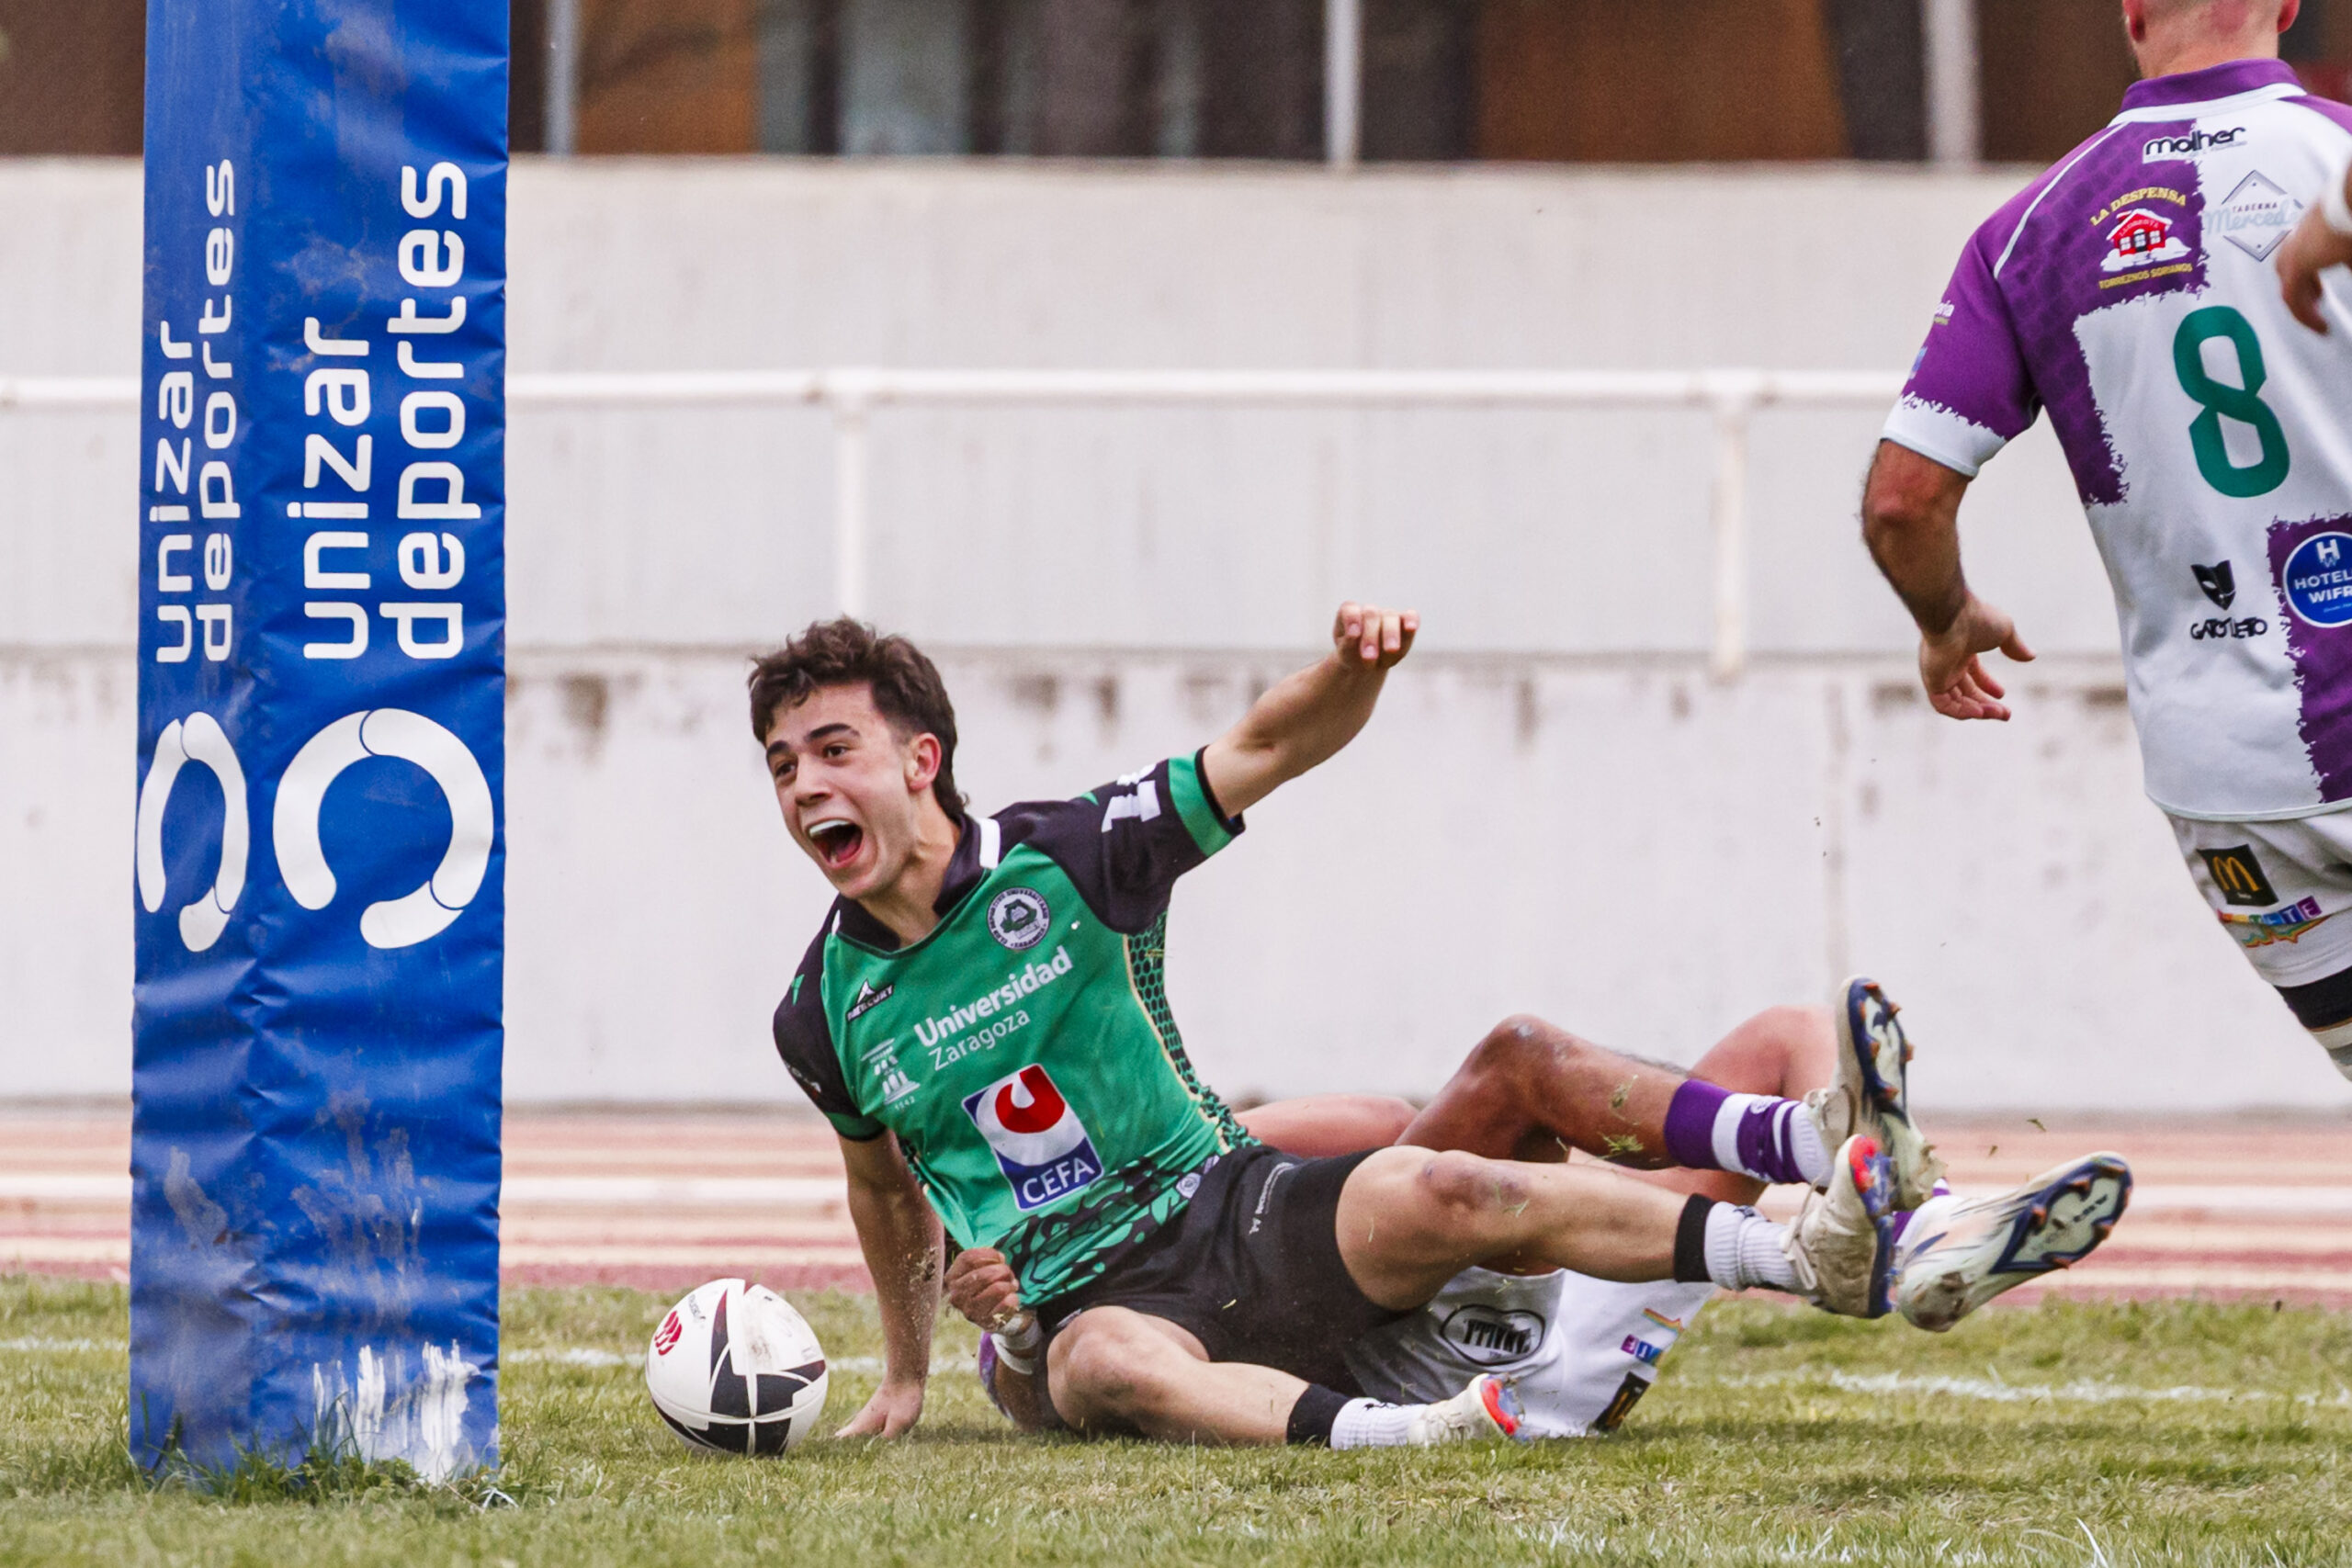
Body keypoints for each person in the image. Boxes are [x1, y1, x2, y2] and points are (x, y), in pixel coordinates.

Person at [756, 606, 2127, 1447]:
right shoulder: (827, 1008)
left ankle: (1872, 1193)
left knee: (1499, 1100)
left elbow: (1266, 749)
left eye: (829, 748)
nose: (802, 783)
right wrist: (929, 1354)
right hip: (1424, 1322)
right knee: (1495, 1091)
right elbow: (884, 1186)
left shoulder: (1065, 858)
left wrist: (1352, 670)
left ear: (916, 758)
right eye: (780, 764)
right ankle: (1875, 1224)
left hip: (1451, 1301)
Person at [1863, 0, 2352, 1079]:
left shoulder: (2030, 230)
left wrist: (1948, 620)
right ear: (2284, 5)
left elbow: (1902, 500)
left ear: (2130, 14)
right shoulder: (2337, 157)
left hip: (2234, 773)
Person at [950, 995, 2134, 1439]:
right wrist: (1005, 1335)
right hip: (1479, 1365)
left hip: (1545, 1266)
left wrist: (1210, 1146)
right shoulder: (1054, 1251)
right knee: (1487, 1096)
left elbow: (1347, 1125)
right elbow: (1055, 1382)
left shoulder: (1195, 1160)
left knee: (1770, 1039)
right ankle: (1891, 1230)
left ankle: (1899, 1214)